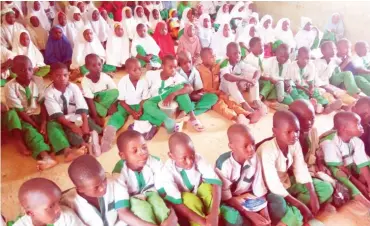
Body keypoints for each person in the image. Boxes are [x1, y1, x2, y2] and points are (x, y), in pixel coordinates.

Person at [257, 110, 334, 226]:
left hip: (288, 182)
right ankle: (295, 211)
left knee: (326, 188)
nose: (294, 135)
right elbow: (273, 184)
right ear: (275, 132)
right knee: (295, 215)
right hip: (271, 191)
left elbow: (300, 168)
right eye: (288, 132)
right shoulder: (267, 150)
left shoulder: (294, 143)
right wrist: (300, 205)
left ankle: (295, 210)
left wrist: (312, 194)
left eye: (296, 131)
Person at [110, 131, 178, 225]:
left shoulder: (155, 162)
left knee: (160, 206)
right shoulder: (119, 174)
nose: (142, 153)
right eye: (135, 151)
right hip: (133, 201)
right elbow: (123, 212)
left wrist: (171, 215)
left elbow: (165, 192)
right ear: (123, 155)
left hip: (153, 193)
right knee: (141, 209)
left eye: (144, 147)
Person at [3, 55, 57, 170]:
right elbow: (20, 111)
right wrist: (36, 125)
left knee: (52, 125)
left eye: (30, 69)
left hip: (38, 113)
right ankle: (45, 157)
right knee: (31, 132)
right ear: (14, 71)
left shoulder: (38, 80)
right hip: (24, 116)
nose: (27, 73)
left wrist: (43, 122)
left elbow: (42, 103)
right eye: (22, 70)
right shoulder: (10, 86)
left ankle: (63, 148)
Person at [158, 132, 222, 226]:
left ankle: (215, 221)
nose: (190, 161)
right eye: (184, 158)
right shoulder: (167, 171)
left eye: (192, 155)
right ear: (171, 156)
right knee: (189, 199)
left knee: (207, 188)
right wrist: (203, 222)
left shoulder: (198, 158)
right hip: (185, 202)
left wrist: (214, 214)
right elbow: (176, 202)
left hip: (199, 193)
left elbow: (216, 182)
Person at [45, 62, 102, 161]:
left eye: (65, 75)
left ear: (69, 75)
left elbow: (82, 105)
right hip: (61, 120)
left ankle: (97, 138)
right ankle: (83, 146)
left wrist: (85, 124)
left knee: (89, 123)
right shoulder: (49, 93)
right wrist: (73, 126)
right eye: (58, 76)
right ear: (51, 77)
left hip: (76, 116)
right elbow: (58, 115)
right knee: (67, 131)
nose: (62, 78)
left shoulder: (73, 87)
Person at [216, 124, 271, 226]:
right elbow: (226, 198)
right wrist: (249, 213)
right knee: (235, 218)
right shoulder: (223, 164)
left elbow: (259, 188)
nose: (251, 149)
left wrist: (264, 210)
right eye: (245, 146)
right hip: (229, 201)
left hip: (248, 198)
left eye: (253, 144)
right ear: (231, 146)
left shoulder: (254, 158)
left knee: (277, 203)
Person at [289, 100, 338, 201]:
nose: (309, 123)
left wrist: (320, 166)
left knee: (332, 180)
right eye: (304, 119)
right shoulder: (287, 141)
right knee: (327, 189)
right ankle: (298, 204)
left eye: (312, 118)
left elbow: (315, 150)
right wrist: (313, 176)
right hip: (292, 177)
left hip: (308, 170)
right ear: (292, 118)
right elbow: (291, 171)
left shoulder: (312, 132)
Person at [142, 55, 205, 133]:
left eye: (175, 67)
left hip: (168, 100)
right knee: (146, 107)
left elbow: (190, 88)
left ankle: (192, 117)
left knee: (179, 87)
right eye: (170, 67)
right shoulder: (150, 75)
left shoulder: (176, 76)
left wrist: (173, 94)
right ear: (163, 66)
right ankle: (166, 121)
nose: (173, 70)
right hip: (154, 100)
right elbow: (144, 90)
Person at [320, 111, 370, 207]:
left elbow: (362, 163)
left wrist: (368, 181)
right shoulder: (330, 143)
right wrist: (360, 185)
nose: (361, 126)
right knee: (340, 174)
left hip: (350, 163)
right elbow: (341, 167)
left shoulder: (357, 141)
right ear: (344, 129)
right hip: (337, 167)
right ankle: (364, 201)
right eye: (358, 124)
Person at [61, 155, 128, 226]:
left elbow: (124, 212)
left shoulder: (113, 183)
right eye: (96, 187)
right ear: (80, 189)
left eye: (104, 179)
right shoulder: (69, 204)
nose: (103, 187)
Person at [102, 58, 150, 152]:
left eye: (140, 69)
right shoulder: (123, 82)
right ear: (127, 71)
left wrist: (140, 109)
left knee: (146, 114)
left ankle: (144, 130)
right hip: (125, 105)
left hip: (138, 104)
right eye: (135, 70)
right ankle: (110, 130)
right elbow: (122, 102)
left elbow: (144, 99)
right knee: (119, 115)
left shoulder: (143, 82)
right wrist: (132, 112)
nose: (138, 72)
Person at [197, 47, 251, 123]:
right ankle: (235, 118)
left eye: (214, 55)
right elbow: (200, 89)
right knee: (221, 106)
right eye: (211, 57)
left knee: (230, 102)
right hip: (209, 95)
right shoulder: (198, 70)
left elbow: (226, 59)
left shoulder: (217, 65)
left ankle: (246, 114)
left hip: (219, 92)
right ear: (203, 59)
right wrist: (215, 93)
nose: (214, 58)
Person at [286, 47, 342, 114]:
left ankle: (327, 106)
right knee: (295, 95)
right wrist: (304, 89)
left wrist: (311, 88)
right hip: (295, 87)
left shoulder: (311, 65)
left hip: (305, 86)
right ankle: (310, 105)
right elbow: (292, 83)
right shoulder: (291, 66)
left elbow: (311, 80)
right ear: (298, 57)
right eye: (303, 58)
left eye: (308, 58)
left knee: (316, 92)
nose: (306, 61)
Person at [220, 42, 265, 122]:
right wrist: (244, 79)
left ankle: (256, 100)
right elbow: (228, 77)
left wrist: (254, 80)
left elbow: (257, 71)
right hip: (226, 89)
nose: (238, 55)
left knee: (252, 77)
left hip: (237, 88)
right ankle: (245, 105)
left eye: (239, 52)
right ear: (228, 54)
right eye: (235, 53)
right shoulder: (224, 63)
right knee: (232, 82)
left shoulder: (240, 63)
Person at [12, 178, 84, 226]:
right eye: (51, 206)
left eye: (58, 201)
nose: (58, 209)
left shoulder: (67, 217)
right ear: (30, 213)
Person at [314, 41, 358, 106]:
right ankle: (338, 105)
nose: (334, 50)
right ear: (323, 51)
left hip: (328, 83)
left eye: (335, 48)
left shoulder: (333, 60)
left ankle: (353, 100)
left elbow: (343, 61)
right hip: (317, 86)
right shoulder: (316, 63)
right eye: (332, 48)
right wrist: (325, 86)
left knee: (339, 92)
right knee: (326, 94)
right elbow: (314, 79)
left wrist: (346, 53)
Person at [81, 54, 118, 131]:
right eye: (94, 66)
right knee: (86, 102)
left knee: (116, 92)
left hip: (104, 99)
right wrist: (95, 117)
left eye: (99, 64)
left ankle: (107, 109)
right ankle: (103, 112)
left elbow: (114, 91)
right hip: (94, 102)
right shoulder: (85, 81)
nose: (98, 67)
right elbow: (90, 99)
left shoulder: (105, 76)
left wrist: (113, 104)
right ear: (87, 67)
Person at [178, 51, 218, 116]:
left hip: (193, 96)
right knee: (180, 100)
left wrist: (198, 95)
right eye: (184, 63)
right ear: (179, 64)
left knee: (213, 97)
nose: (188, 65)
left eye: (189, 62)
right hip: (183, 97)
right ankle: (190, 109)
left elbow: (198, 89)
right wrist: (189, 96)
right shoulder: (177, 73)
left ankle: (189, 111)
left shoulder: (194, 71)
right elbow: (177, 90)